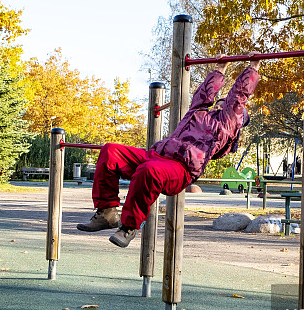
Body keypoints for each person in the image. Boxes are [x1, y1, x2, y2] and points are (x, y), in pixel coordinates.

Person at [77, 52, 261, 247]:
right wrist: (220, 69)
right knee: (111, 151)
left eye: (225, 106)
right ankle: (106, 212)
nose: (220, 104)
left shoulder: (227, 126)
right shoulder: (198, 113)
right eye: (219, 102)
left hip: (179, 169)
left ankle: (129, 226)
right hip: (156, 155)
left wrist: (253, 67)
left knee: (149, 171)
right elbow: (204, 94)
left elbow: (238, 97)